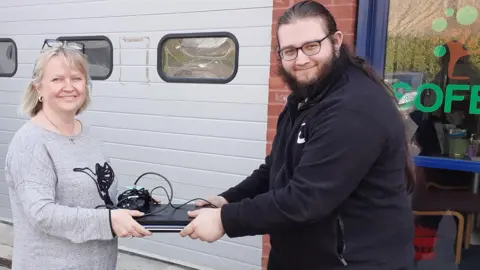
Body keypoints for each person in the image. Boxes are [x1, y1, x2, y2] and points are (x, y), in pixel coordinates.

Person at [179, 1, 416, 269]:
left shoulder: (353, 109)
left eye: (311, 46)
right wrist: (227, 199)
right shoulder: (304, 100)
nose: (301, 59)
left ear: (336, 41)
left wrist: (226, 219)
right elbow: (275, 170)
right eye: (290, 51)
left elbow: (306, 199)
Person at [4, 41, 152, 270]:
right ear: (38, 89)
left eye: (76, 78)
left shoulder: (87, 133)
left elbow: (95, 194)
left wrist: (134, 202)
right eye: (57, 79)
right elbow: (42, 214)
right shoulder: (31, 142)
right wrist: (109, 221)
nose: (69, 86)